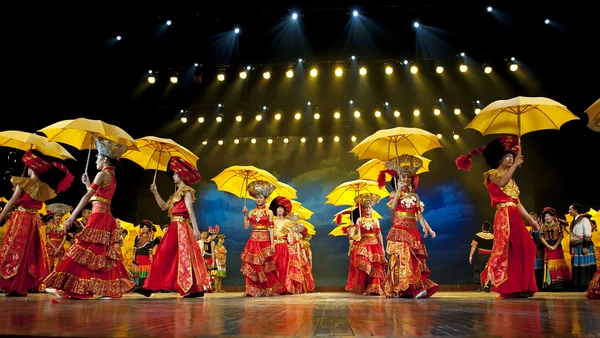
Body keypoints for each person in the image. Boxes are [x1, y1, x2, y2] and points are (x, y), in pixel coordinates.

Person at [45, 137, 135, 299]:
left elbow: (88, 196)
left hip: (99, 217)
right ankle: (107, 289)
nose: (95, 160)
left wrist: (72, 216)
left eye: (97, 157)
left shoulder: (102, 175)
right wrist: (87, 183)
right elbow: (99, 197)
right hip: (105, 216)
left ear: (105, 159)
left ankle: (69, 287)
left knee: (83, 251)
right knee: (98, 253)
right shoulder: (111, 176)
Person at [456, 136, 538, 298]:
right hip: (504, 215)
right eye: (507, 156)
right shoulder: (492, 174)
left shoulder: (512, 180)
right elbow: (501, 183)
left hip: (514, 214)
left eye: (512, 157)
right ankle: (506, 285)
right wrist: (514, 165)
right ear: (499, 158)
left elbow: (517, 202)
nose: (510, 159)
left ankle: (522, 285)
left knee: (526, 247)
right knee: (506, 249)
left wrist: (531, 220)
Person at [0, 150, 73, 296]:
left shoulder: (24, 183)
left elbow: (12, 202)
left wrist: (0, 217)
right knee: (30, 252)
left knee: (16, 250)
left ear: (31, 168)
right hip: (34, 222)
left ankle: (15, 284)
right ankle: (22, 285)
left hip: (21, 219)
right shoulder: (44, 188)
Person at [137, 156, 209, 298]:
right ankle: (150, 286)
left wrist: (195, 228)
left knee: (184, 257)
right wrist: (155, 192)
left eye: (176, 174)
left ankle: (194, 288)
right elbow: (164, 207)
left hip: (182, 227)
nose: (174, 176)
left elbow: (189, 209)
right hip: (173, 227)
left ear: (182, 175)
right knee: (166, 255)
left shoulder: (186, 190)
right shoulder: (175, 194)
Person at [381, 155, 438, 299]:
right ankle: (405, 288)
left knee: (414, 261)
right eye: (403, 177)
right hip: (400, 230)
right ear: (398, 180)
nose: (406, 179)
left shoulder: (415, 196)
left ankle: (414, 288)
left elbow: (419, 215)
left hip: (413, 231)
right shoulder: (394, 194)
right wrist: (399, 191)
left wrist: (428, 228)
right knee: (403, 258)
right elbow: (393, 208)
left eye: (408, 177)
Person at [240, 180, 282, 297]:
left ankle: (265, 289)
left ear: (265, 198)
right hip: (253, 241)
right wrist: (245, 214)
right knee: (253, 265)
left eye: (261, 197)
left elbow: (271, 229)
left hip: (264, 241)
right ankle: (251, 289)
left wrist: (272, 244)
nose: (258, 199)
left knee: (265, 266)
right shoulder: (252, 212)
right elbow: (246, 226)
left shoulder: (269, 212)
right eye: (256, 197)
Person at [348, 193, 387, 295]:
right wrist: (357, 226)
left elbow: (379, 234)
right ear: (363, 209)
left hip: (374, 245)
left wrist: (382, 247)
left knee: (376, 266)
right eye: (365, 207)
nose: (367, 209)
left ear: (372, 208)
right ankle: (365, 288)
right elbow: (356, 234)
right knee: (363, 266)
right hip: (363, 244)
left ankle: (375, 288)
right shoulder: (360, 219)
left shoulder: (376, 220)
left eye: (369, 207)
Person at [539, 207, 571, 291]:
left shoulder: (558, 224)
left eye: (549, 216)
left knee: (559, 264)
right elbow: (541, 237)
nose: (547, 218)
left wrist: (555, 246)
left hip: (557, 247)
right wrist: (548, 246)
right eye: (545, 216)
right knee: (549, 265)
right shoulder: (542, 225)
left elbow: (561, 236)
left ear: (553, 216)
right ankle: (550, 285)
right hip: (547, 247)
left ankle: (561, 285)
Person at [568, 203, 597, 291]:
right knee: (577, 267)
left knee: (585, 266)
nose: (569, 211)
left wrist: (586, 246)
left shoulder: (584, 220)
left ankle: (586, 285)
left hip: (583, 246)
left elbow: (587, 233)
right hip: (576, 247)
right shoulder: (572, 221)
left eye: (570, 209)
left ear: (576, 210)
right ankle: (578, 285)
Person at [45, 203, 72, 271]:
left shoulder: (64, 227)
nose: (58, 217)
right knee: (48, 265)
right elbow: (47, 239)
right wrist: (55, 248)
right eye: (57, 216)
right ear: (53, 216)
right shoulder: (49, 226)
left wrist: (58, 249)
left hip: (60, 247)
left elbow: (64, 239)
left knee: (59, 266)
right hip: (50, 247)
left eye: (60, 216)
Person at [469, 221, 494, 292]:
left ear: (482, 227)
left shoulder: (478, 235)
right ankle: (487, 286)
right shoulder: (493, 236)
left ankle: (480, 286)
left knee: (478, 270)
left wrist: (470, 256)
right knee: (488, 270)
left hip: (481, 255)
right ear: (489, 228)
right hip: (490, 255)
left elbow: (474, 246)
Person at [132, 220, 155, 287]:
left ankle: (145, 285)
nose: (144, 228)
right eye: (143, 227)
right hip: (138, 256)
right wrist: (133, 255)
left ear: (149, 228)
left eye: (146, 227)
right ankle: (137, 285)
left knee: (145, 271)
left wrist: (151, 256)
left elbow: (151, 247)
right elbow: (135, 246)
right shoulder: (138, 237)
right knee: (137, 271)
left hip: (146, 257)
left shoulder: (150, 237)